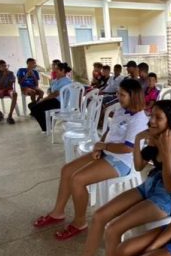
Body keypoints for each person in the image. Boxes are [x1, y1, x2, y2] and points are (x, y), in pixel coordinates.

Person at [50, 100, 171, 256]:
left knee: (113, 229)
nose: (151, 121)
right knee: (100, 216)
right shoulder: (156, 138)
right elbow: (139, 166)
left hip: (165, 198)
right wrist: (139, 139)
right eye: (152, 116)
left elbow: (170, 187)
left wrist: (167, 151)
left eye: (158, 118)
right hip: (149, 186)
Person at [32, 78, 148, 240]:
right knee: (67, 170)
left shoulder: (139, 119)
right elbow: (109, 131)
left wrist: (103, 146)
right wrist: (100, 146)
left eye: (122, 95)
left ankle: (79, 222)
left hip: (122, 161)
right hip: (107, 151)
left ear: (133, 96)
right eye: (118, 93)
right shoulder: (122, 109)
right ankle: (57, 212)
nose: (118, 97)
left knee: (78, 179)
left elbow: (128, 148)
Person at [28, 62, 72, 132]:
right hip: (53, 100)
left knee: (34, 108)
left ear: (63, 70)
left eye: (57, 69)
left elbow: (55, 94)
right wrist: (48, 92)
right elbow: (50, 90)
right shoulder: (56, 80)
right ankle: (49, 123)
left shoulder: (66, 81)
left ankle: (46, 128)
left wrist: (43, 99)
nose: (55, 70)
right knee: (31, 105)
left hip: (59, 102)